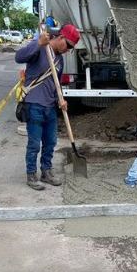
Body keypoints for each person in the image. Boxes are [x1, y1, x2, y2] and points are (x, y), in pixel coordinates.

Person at [15, 23, 80, 190]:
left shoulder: (59, 59)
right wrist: (37, 44)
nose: (68, 50)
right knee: (34, 144)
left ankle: (46, 172)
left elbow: (55, 83)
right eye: (68, 45)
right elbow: (19, 57)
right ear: (60, 37)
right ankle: (31, 174)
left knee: (51, 142)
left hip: (50, 106)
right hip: (34, 104)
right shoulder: (40, 48)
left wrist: (61, 99)